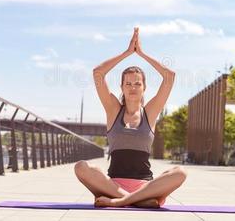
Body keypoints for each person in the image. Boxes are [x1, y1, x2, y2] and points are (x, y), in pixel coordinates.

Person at [74, 27, 187, 208]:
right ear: (122, 87)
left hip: (145, 186)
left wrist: (141, 53)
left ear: (144, 87)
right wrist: (128, 52)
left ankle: (123, 202)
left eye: (137, 83)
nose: (133, 87)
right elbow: (98, 73)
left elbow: (169, 76)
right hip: (113, 186)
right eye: (128, 83)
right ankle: (134, 200)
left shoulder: (149, 112)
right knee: (81, 167)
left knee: (180, 172)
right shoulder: (113, 110)